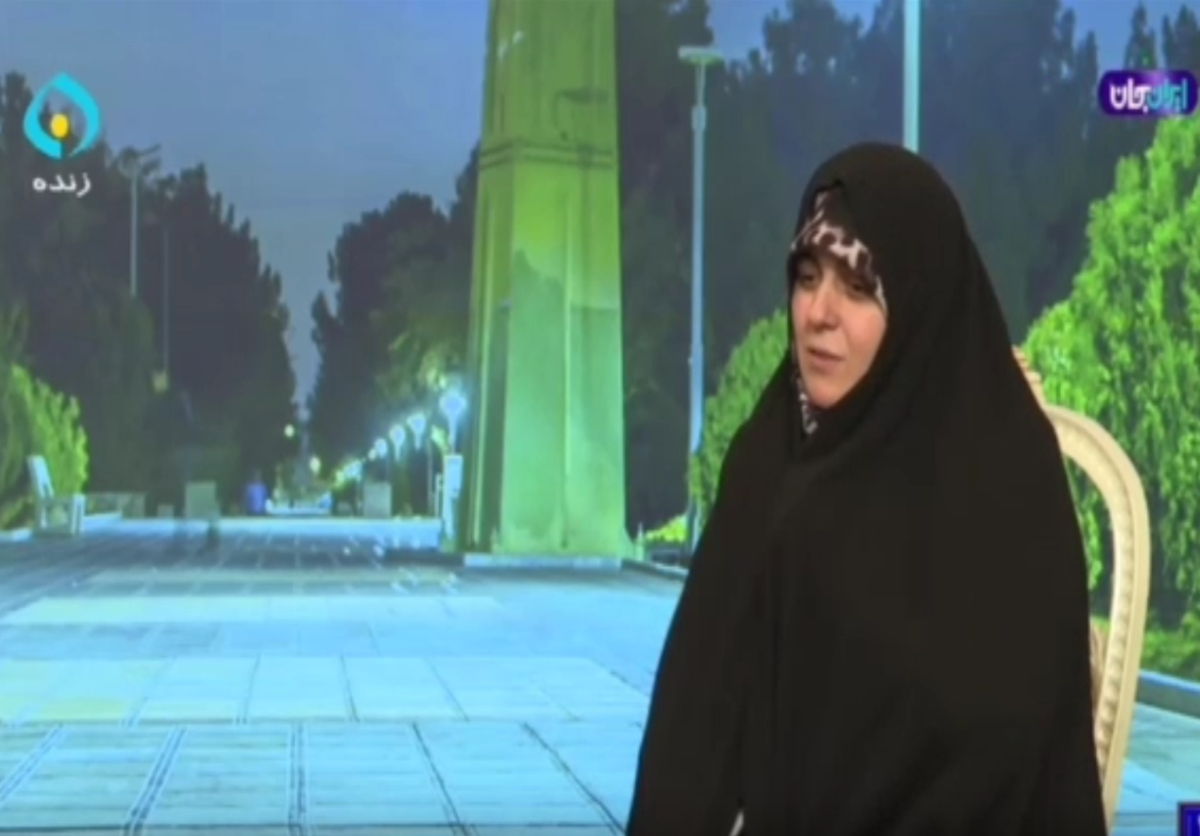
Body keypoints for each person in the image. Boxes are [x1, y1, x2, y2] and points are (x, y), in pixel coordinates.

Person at [626, 143, 1106, 836]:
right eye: (806, 276)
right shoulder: (770, 459)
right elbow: (690, 733)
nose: (818, 313)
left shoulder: (1006, 482)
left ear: (918, 306)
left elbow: (1010, 759)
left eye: (857, 288)